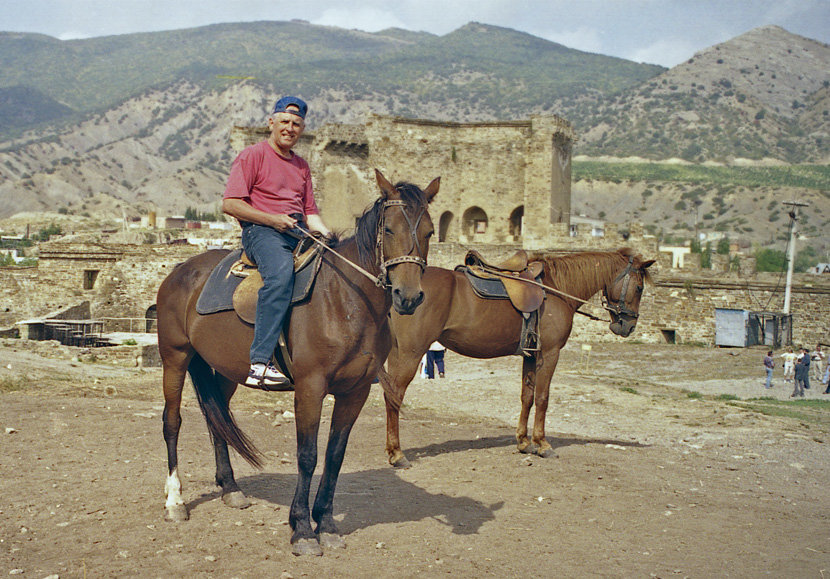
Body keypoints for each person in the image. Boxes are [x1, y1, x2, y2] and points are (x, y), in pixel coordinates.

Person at [222, 96, 330, 387]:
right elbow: (231, 204)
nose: (290, 128)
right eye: (285, 121)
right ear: (271, 122)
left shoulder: (302, 166)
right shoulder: (252, 156)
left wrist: (328, 235)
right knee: (281, 274)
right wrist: (272, 219)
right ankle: (260, 361)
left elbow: (310, 211)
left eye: (296, 124)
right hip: (261, 231)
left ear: (302, 128)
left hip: (296, 229)